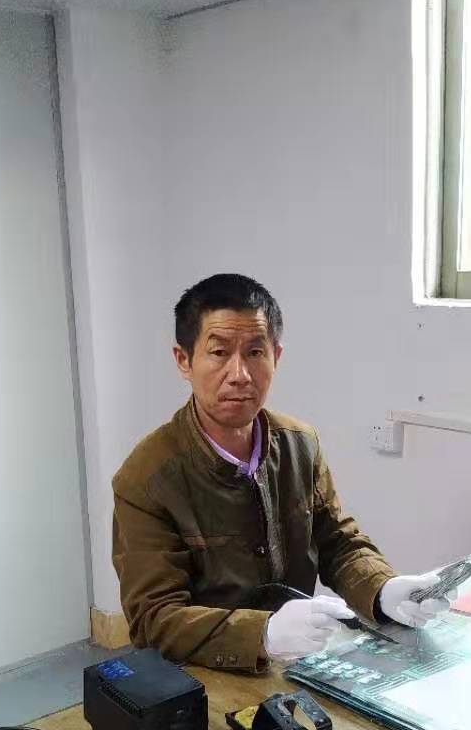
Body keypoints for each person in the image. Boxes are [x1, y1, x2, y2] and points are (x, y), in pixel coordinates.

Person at [112, 273, 449, 671]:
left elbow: (336, 542)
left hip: (297, 660)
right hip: (199, 675)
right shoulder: (146, 478)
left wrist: (382, 588)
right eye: (219, 353)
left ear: (276, 356)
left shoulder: (300, 444)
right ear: (184, 360)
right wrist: (262, 634)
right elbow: (154, 619)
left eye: (255, 352)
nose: (239, 374)